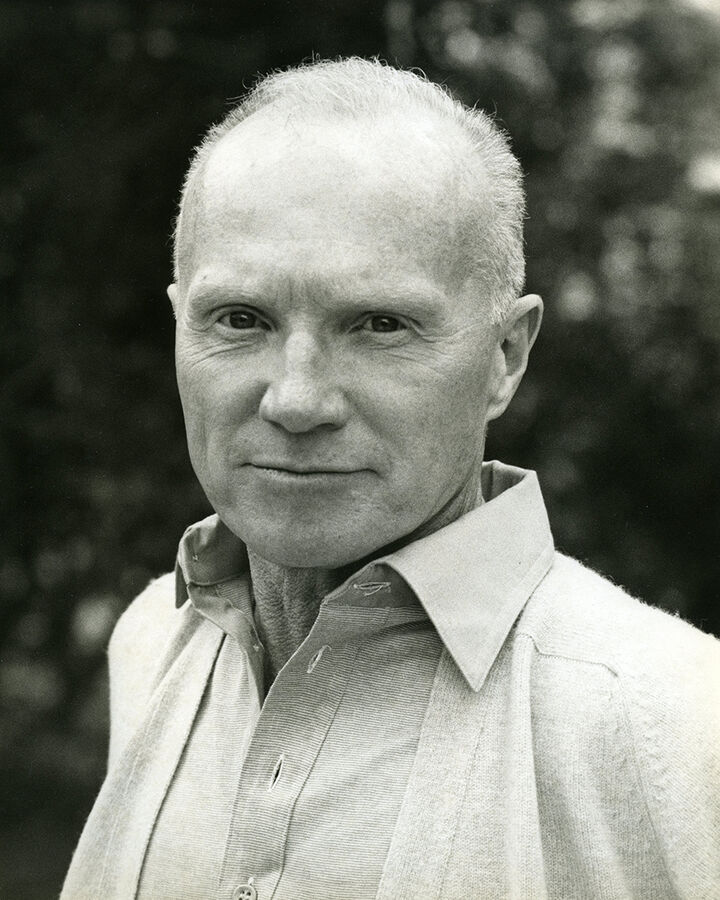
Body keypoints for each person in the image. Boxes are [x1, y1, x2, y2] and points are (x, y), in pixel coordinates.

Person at [62, 58, 720, 900]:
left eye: (379, 324)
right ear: (178, 329)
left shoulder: (674, 720)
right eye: (240, 319)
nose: (297, 399)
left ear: (505, 356)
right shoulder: (153, 640)